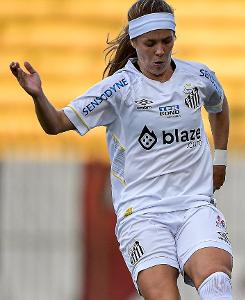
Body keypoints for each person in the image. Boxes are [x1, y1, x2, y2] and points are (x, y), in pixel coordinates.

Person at [9, 0, 233, 299]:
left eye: (167, 41)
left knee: (217, 281)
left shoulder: (199, 76)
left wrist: (220, 159)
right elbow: (57, 123)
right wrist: (38, 96)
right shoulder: (117, 89)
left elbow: (219, 106)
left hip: (195, 204)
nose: (160, 51)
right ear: (134, 42)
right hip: (142, 213)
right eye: (150, 43)